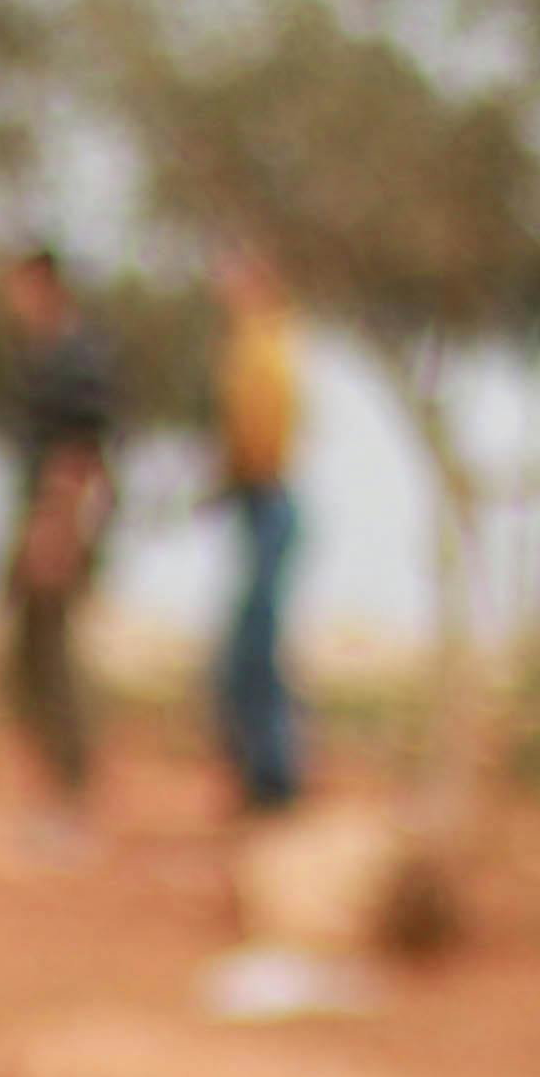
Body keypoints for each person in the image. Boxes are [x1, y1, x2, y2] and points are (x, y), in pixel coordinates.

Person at [0, 242, 121, 834]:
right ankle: (52, 794)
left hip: (58, 522)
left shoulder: (74, 359)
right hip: (40, 517)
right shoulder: (44, 354)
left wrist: (55, 531)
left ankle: (70, 801)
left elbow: (78, 455)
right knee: (27, 658)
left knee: (52, 658)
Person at [208, 251, 308, 812]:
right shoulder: (261, 342)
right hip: (258, 499)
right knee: (249, 644)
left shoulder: (265, 345)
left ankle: (273, 779)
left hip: (265, 497)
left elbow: (260, 435)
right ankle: (259, 775)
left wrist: (236, 474)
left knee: (256, 646)